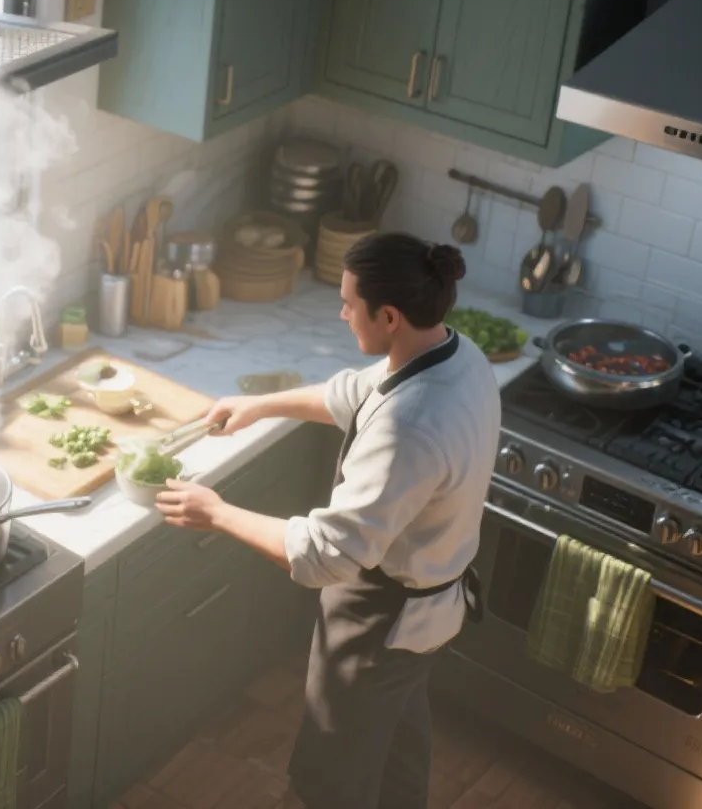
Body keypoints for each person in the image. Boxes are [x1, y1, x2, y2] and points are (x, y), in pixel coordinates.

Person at [154, 232, 498, 809]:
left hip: (381, 622)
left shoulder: (408, 428)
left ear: (388, 315)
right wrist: (261, 405)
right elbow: (358, 392)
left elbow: (324, 556)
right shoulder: (455, 355)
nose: (340, 313)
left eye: (348, 304)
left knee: (328, 782)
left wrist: (215, 512)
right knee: (396, 761)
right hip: (430, 613)